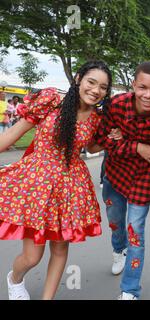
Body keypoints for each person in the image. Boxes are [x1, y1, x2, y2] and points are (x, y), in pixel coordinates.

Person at [0, 60, 113, 300]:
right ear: (78, 79)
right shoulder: (52, 102)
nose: (96, 90)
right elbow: (11, 134)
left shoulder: (97, 119)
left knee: (60, 249)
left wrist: (111, 137)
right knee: (32, 256)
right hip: (36, 182)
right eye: (91, 82)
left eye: (103, 87)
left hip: (71, 186)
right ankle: (15, 279)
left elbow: (91, 147)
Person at [89, 61, 150, 300]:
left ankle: (130, 290)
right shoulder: (116, 105)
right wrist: (137, 146)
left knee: (136, 234)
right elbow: (101, 140)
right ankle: (118, 250)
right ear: (134, 84)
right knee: (115, 222)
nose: (148, 95)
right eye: (142, 87)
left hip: (143, 185)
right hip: (114, 175)